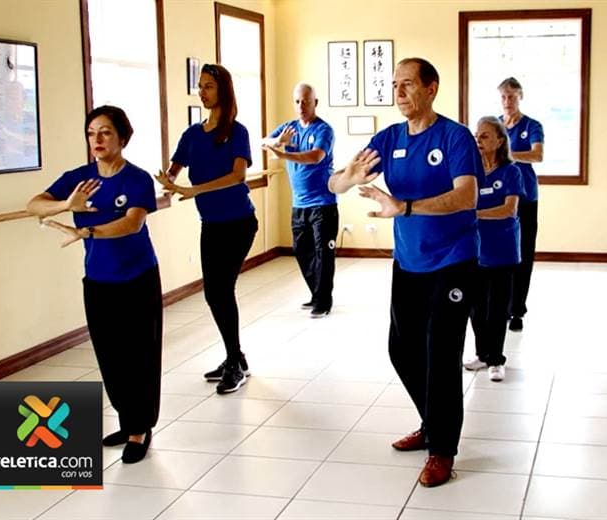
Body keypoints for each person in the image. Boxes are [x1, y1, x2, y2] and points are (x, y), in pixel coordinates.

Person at [329, 57, 482, 488]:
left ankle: (442, 449)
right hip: (409, 262)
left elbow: (467, 196)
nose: (398, 92)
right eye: (395, 84)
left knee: (442, 355)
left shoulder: (454, 137)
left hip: (453, 260)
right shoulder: (390, 138)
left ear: (431, 88)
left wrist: (406, 207)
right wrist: (348, 177)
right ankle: (432, 422)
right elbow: (334, 184)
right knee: (402, 349)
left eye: (408, 84)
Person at [27, 105, 161, 464]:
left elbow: (132, 223)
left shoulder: (137, 179)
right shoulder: (79, 178)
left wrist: (86, 231)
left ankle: (140, 428)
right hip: (99, 281)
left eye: (105, 132)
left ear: (122, 138)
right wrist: (66, 205)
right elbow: (34, 204)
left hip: (138, 278)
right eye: (91, 133)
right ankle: (127, 420)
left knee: (139, 357)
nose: (97, 139)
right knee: (110, 358)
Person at [157, 64, 257, 394]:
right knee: (215, 293)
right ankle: (236, 357)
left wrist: (194, 190)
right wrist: (166, 182)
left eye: (209, 86)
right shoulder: (191, 134)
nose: (202, 92)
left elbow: (238, 176)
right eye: (200, 86)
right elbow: (174, 170)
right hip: (211, 224)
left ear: (223, 90)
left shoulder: (237, 132)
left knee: (220, 291)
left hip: (239, 223)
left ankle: (235, 362)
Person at [262, 83, 337, 318]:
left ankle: (323, 301)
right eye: (297, 102)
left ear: (315, 102)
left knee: (323, 254)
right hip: (299, 204)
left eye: (306, 101)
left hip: (323, 204)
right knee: (302, 251)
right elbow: (263, 142)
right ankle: (316, 294)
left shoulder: (324, 130)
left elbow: (316, 156)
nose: (301, 106)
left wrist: (283, 153)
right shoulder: (289, 129)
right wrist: (278, 140)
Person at [463, 116, 524, 382]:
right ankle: (482, 354)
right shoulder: (471, 172)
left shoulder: (511, 172)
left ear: (500, 141)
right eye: (477, 135)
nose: (478, 140)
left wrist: (474, 214)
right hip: (474, 250)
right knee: (476, 308)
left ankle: (496, 359)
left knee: (497, 309)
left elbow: (509, 209)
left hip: (502, 251)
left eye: (485, 135)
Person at [498, 77, 542, 332]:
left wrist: (506, 154)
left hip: (525, 198)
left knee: (523, 253)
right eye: (504, 96)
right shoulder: (495, 125)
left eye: (512, 96)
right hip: (499, 197)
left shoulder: (531, 125)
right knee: (501, 253)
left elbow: (537, 154)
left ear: (520, 97)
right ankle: (502, 306)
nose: (508, 101)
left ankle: (517, 310)